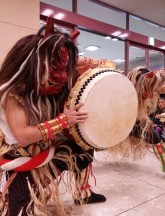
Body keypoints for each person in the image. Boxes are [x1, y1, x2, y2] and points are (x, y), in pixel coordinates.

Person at [0, 17, 105, 216]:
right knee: (19, 210)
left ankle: (83, 192)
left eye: (63, 69)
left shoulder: (40, 88)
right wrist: (64, 121)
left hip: (44, 152)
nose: (62, 76)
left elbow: (75, 66)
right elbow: (22, 135)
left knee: (81, 149)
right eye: (55, 67)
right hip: (20, 159)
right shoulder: (13, 93)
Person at [126, 67, 165, 172]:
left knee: (155, 137)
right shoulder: (124, 95)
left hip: (134, 121)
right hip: (120, 121)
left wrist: (162, 77)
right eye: (146, 90)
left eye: (151, 91)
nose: (150, 95)